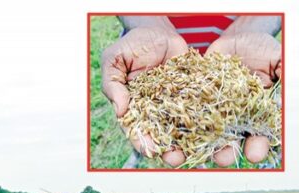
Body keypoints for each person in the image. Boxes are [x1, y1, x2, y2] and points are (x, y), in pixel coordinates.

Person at [101, 15, 282, 167]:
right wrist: (148, 21)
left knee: (203, 135)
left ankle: (200, 159)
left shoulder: (235, 78)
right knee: (149, 126)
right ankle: (138, 152)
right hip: (151, 57)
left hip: (237, 54)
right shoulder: (155, 80)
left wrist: (253, 26)